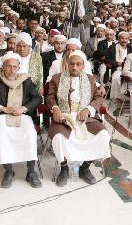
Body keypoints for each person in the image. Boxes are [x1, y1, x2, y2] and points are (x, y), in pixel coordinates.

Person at [45, 51, 110, 186]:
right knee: (58, 138)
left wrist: (88, 109)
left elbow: (98, 97)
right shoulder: (57, 78)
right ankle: (64, 169)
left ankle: (84, 168)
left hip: (86, 118)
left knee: (103, 135)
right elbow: (49, 97)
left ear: (83, 66)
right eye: (72, 64)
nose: (74, 67)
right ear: (67, 65)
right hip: (64, 117)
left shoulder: (91, 79)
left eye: (78, 64)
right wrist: (55, 108)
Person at [0, 52, 43, 188]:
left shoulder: (25, 80)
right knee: (3, 135)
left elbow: (37, 98)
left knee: (30, 134)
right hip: (0, 115)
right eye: (8, 66)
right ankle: (9, 171)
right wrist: (2, 108)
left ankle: (31, 172)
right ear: (2, 66)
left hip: (22, 114)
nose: (12, 70)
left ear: (19, 67)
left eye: (15, 67)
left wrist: (23, 108)